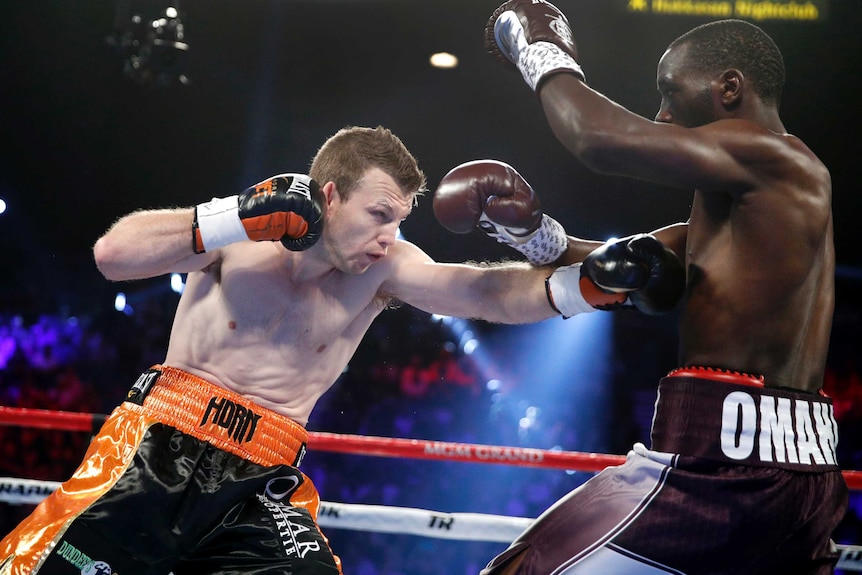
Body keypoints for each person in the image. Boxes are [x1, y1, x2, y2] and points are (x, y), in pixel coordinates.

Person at [0, 125, 683, 575]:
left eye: (400, 220)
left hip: (262, 479)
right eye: (379, 213)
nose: (389, 236)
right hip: (156, 446)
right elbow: (112, 255)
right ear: (330, 195)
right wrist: (230, 215)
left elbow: (478, 292)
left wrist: (579, 286)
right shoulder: (246, 234)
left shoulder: (385, 269)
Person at [464, 2, 849, 574]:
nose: (662, 113)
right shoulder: (750, 208)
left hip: (721, 469)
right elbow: (618, 261)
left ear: (729, 86)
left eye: (671, 90)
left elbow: (597, 138)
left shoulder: (780, 160)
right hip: (798, 471)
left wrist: (539, 46)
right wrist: (530, 234)